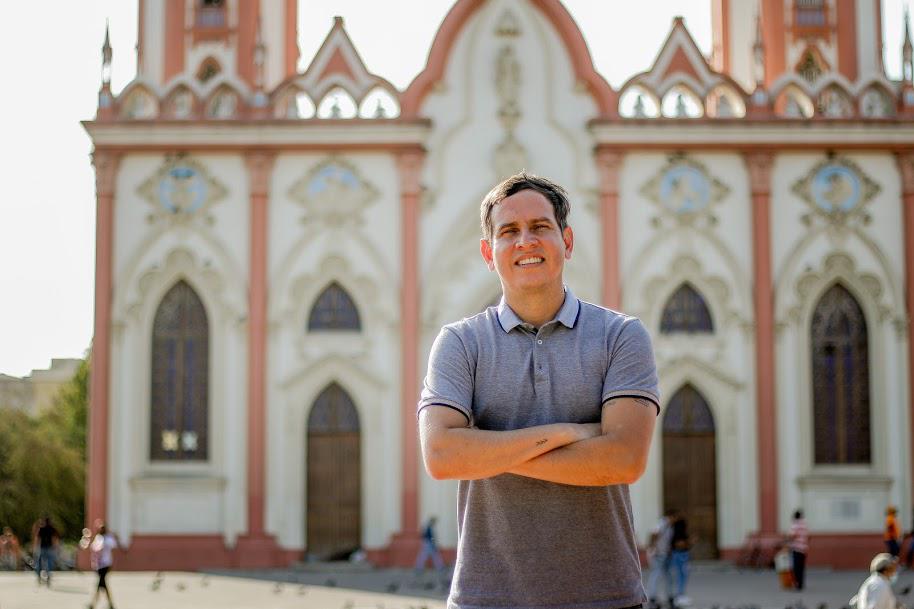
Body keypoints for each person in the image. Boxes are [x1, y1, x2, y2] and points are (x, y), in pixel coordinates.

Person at [418, 173, 660, 609]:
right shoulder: (459, 343)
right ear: (488, 253)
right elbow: (440, 457)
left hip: (607, 598)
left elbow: (625, 459)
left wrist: (486, 453)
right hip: (484, 599)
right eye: (508, 232)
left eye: (540, 227)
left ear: (566, 242)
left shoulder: (621, 336)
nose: (525, 241)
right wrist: (573, 433)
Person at [88, 521, 121, 609]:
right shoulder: (98, 538)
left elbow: (114, 545)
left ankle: (93, 604)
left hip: (106, 564)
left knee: (100, 584)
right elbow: (93, 548)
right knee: (103, 585)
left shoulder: (108, 538)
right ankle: (110, 604)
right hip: (98, 565)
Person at [645, 510, 675, 607]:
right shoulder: (662, 524)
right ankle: (652, 598)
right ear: (671, 517)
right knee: (656, 575)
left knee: (667, 576)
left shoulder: (669, 526)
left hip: (665, 553)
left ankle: (669, 597)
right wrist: (654, 548)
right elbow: (653, 534)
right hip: (658, 554)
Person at [669, 513, 692, 607]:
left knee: (681, 575)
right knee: (681, 575)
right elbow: (680, 544)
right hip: (681, 555)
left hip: (678, 554)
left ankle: (680, 595)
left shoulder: (674, 532)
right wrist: (689, 542)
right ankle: (680, 595)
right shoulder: (679, 533)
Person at [32, 516, 59, 586]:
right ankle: (48, 575)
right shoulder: (52, 529)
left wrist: (35, 547)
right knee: (49, 563)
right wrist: (55, 547)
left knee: (39, 563)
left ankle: (38, 576)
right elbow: (54, 539)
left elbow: (37, 539)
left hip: (42, 548)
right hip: (50, 548)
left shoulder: (41, 529)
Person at [788, 509, 809, 591]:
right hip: (804, 548)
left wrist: (788, 541)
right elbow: (808, 536)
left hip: (796, 548)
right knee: (801, 567)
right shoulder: (805, 525)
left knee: (796, 567)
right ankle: (801, 583)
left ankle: (797, 584)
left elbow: (792, 535)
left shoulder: (795, 524)